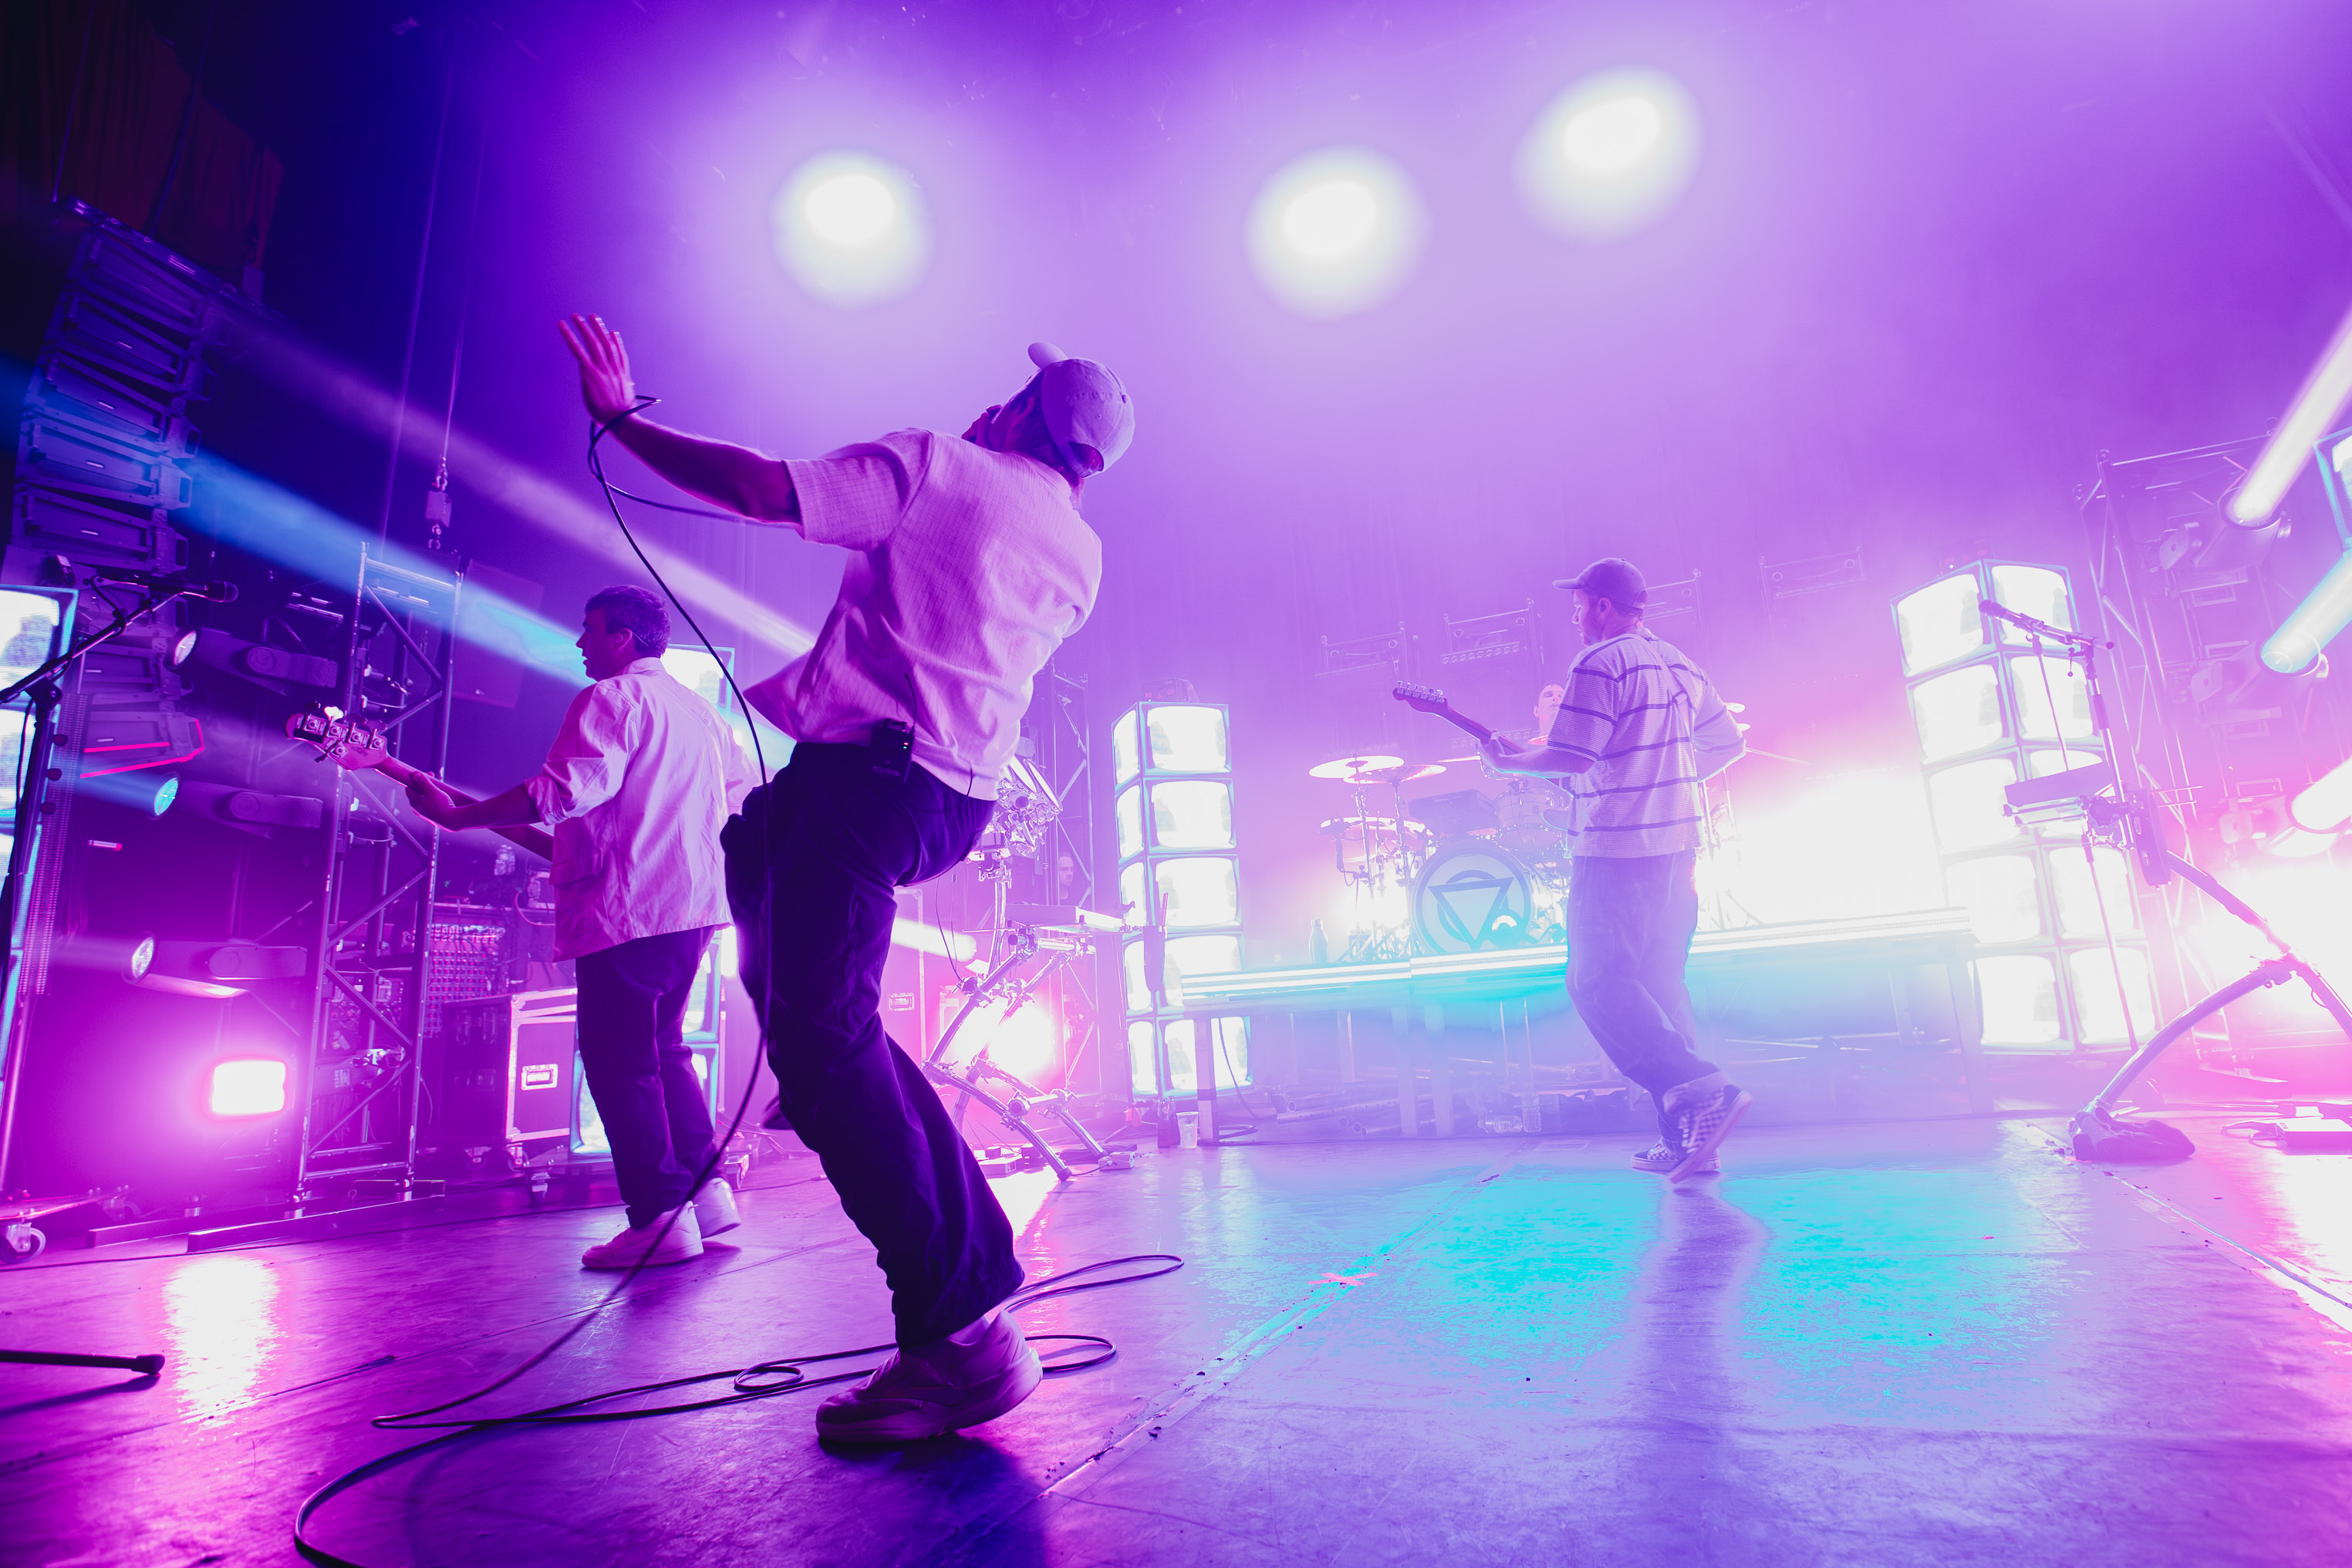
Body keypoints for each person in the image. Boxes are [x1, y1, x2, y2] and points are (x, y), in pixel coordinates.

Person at [557, 314, 1130, 1443]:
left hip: (867, 782)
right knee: (771, 881)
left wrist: (623, 423)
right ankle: (926, 1232)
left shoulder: (939, 467)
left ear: (1024, 413)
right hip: (943, 801)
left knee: (823, 1049)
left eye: (1013, 396)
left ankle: (958, 1336)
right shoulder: (1082, 553)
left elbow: (765, 490)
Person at [405, 586, 756, 1267]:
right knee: (662, 1050)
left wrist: (459, 817)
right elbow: (724, 809)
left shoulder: (612, 699)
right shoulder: (702, 715)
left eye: (589, 629)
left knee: (619, 1063)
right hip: (691, 910)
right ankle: (706, 1193)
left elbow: (559, 793)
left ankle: (658, 1216)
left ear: (623, 637)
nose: (579, 641)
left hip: (630, 911)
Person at [1483, 558, 1750, 1181]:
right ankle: (1690, 1141)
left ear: (1601, 606)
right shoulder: (1679, 664)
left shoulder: (1599, 661)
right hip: (1677, 852)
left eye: (1577, 603)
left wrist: (1507, 765)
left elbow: (1574, 757)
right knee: (1658, 987)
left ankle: (1702, 1088)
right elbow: (1729, 743)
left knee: (1594, 981)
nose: (1574, 616)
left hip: (1615, 854)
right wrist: (1664, 782)